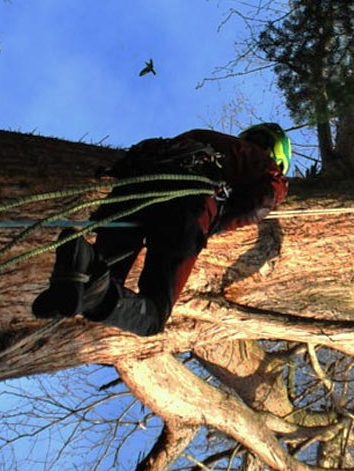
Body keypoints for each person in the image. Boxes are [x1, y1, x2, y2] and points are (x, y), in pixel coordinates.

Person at [32, 123, 291, 335]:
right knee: (153, 316)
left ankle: (80, 269)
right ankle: (91, 296)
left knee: (103, 272)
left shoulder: (200, 137)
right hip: (185, 206)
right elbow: (261, 203)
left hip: (134, 190)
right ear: (276, 154)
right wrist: (214, 225)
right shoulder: (263, 163)